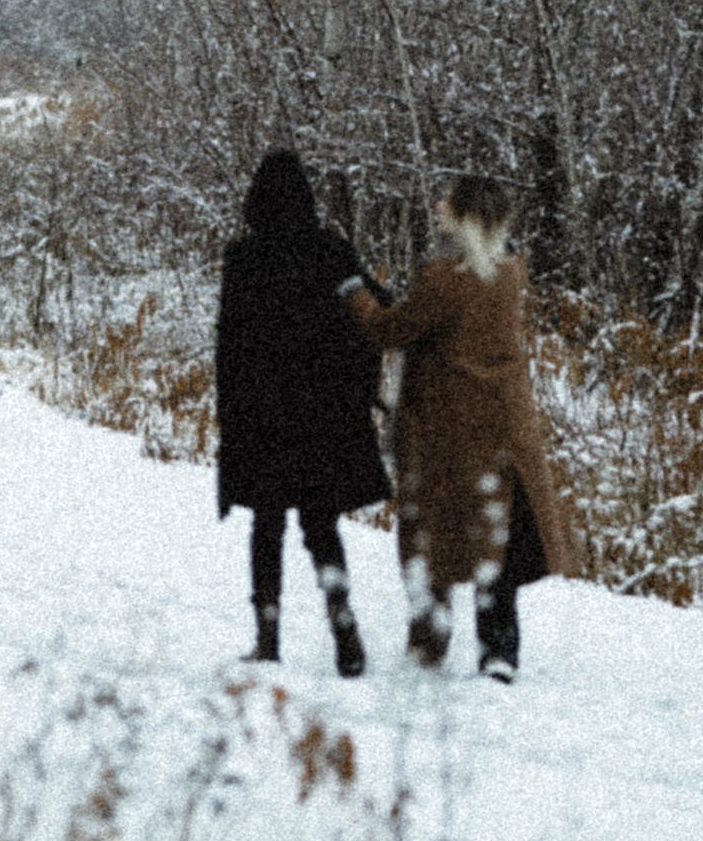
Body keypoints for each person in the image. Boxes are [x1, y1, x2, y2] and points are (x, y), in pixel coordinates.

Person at [340, 168, 578, 679]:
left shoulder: (443, 279)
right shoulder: (511, 273)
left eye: (446, 203)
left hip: (446, 429)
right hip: (503, 424)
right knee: (498, 536)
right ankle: (500, 652)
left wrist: (355, 294)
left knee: (433, 530)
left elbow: (389, 330)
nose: (437, 207)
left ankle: (431, 639)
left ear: (466, 217)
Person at [214, 148, 390, 675]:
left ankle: (267, 636)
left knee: (267, 528)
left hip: (263, 416)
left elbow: (230, 344)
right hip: (321, 414)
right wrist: (359, 388)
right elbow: (373, 313)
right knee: (321, 525)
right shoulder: (330, 249)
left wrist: (229, 416)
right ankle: (343, 622)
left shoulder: (244, 257)